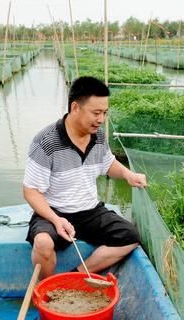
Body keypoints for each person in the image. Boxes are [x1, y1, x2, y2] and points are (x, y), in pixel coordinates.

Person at [23, 76, 147, 279]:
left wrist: (127, 174)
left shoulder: (98, 136)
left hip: (90, 211)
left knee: (130, 237)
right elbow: (30, 191)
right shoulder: (46, 142)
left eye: (105, 113)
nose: (101, 119)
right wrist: (56, 219)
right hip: (54, 211)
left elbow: (108, 165)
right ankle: (47, 286)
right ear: (75, 108)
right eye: (96, 113)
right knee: (43, 242)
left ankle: (77, 275)